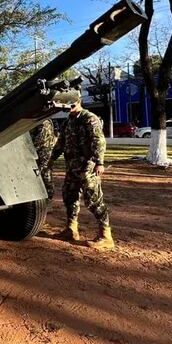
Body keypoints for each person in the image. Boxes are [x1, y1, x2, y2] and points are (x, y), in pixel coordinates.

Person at [48, 94, 114, 249]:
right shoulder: (68, 121)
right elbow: (61, 142)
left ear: (79, 102)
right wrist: (52, 159)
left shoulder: (89, 118)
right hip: (72, 167)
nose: (69, 108)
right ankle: (71, 229)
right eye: (67, 105)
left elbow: (99, 141)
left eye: (71, 104)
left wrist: (100, 162)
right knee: (69, 196)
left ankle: (106, 236)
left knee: (94, 200)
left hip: (87, 168)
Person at [30, 119, 58, 200]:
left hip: (44, 153)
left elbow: (40, 140)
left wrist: (28, 148)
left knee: (45, 174)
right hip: (39, 152)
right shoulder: (37, 121)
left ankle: (48, 198)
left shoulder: (44, 122)